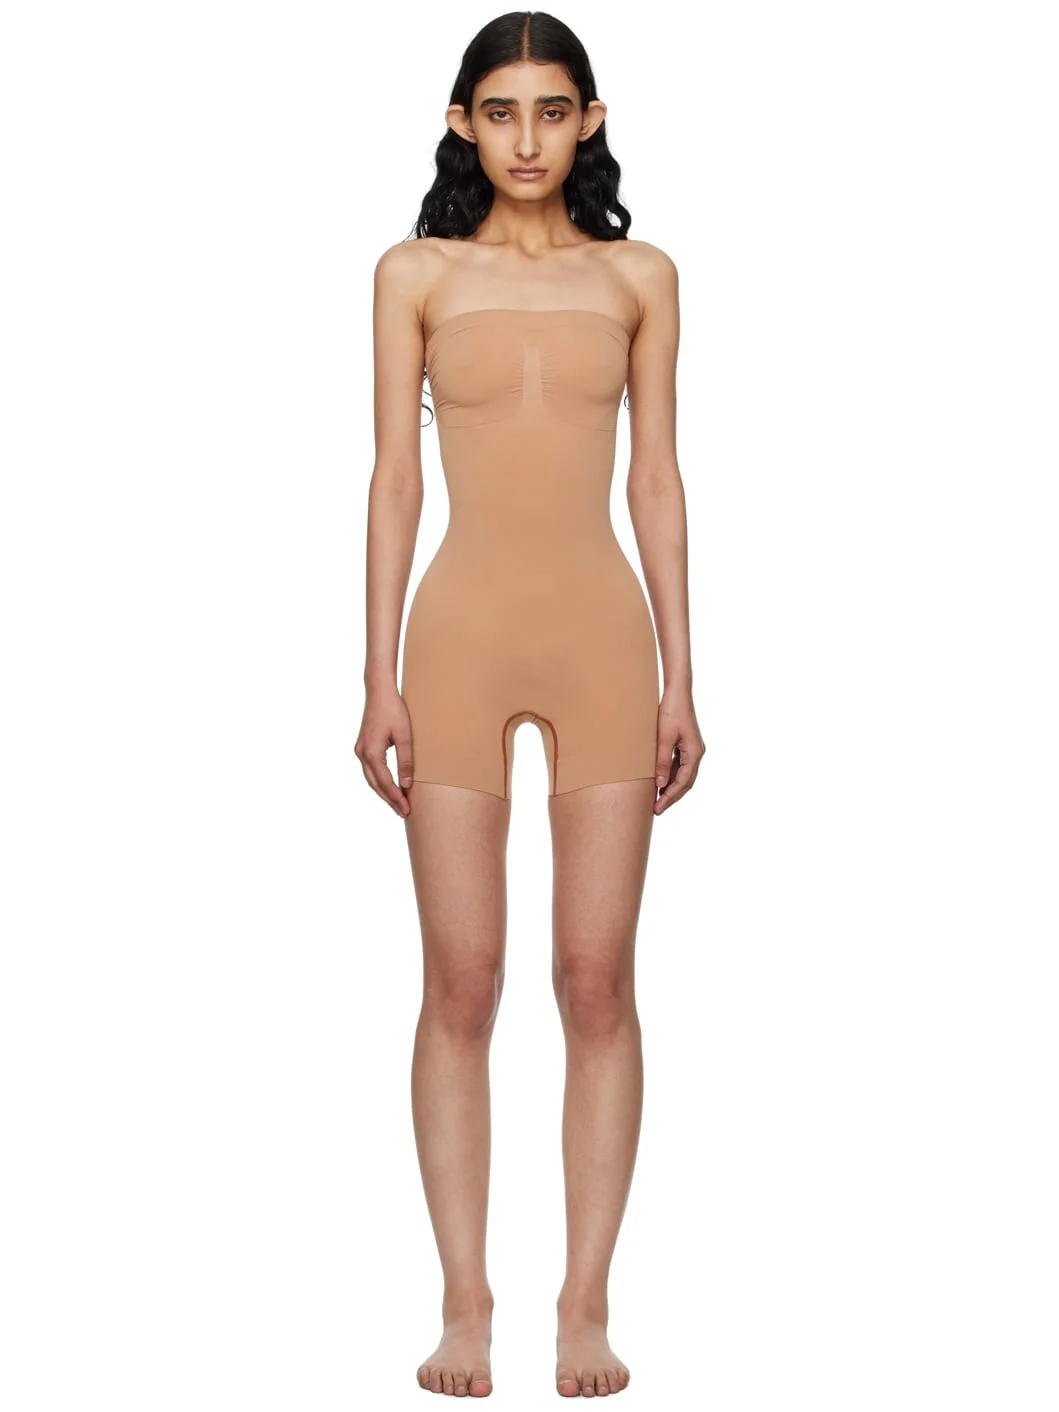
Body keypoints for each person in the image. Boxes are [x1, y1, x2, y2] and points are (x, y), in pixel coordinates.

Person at [355, 10, 706, 1398]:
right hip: (456, 641)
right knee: (461, 979)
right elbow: (393, 479)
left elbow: (657, 481)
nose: (525, 138)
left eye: (551, 111)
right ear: (462, 124)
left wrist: (683, 673)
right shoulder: (412, 274)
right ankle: (463, 1303)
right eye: (499, 112)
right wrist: (375, 671)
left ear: (589, 120)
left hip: (602, 645)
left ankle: (585, 1305)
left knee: (595, 981)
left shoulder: (641, 275)